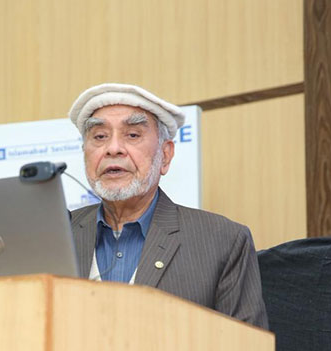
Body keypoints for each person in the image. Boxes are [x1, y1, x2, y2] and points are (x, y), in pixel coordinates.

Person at [68, 83, 269, 329]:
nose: (113, 149)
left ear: (165, 155)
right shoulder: (57, 235)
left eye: (133, 135)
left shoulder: (223, 241)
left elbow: (246, 347)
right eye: (100, 136)